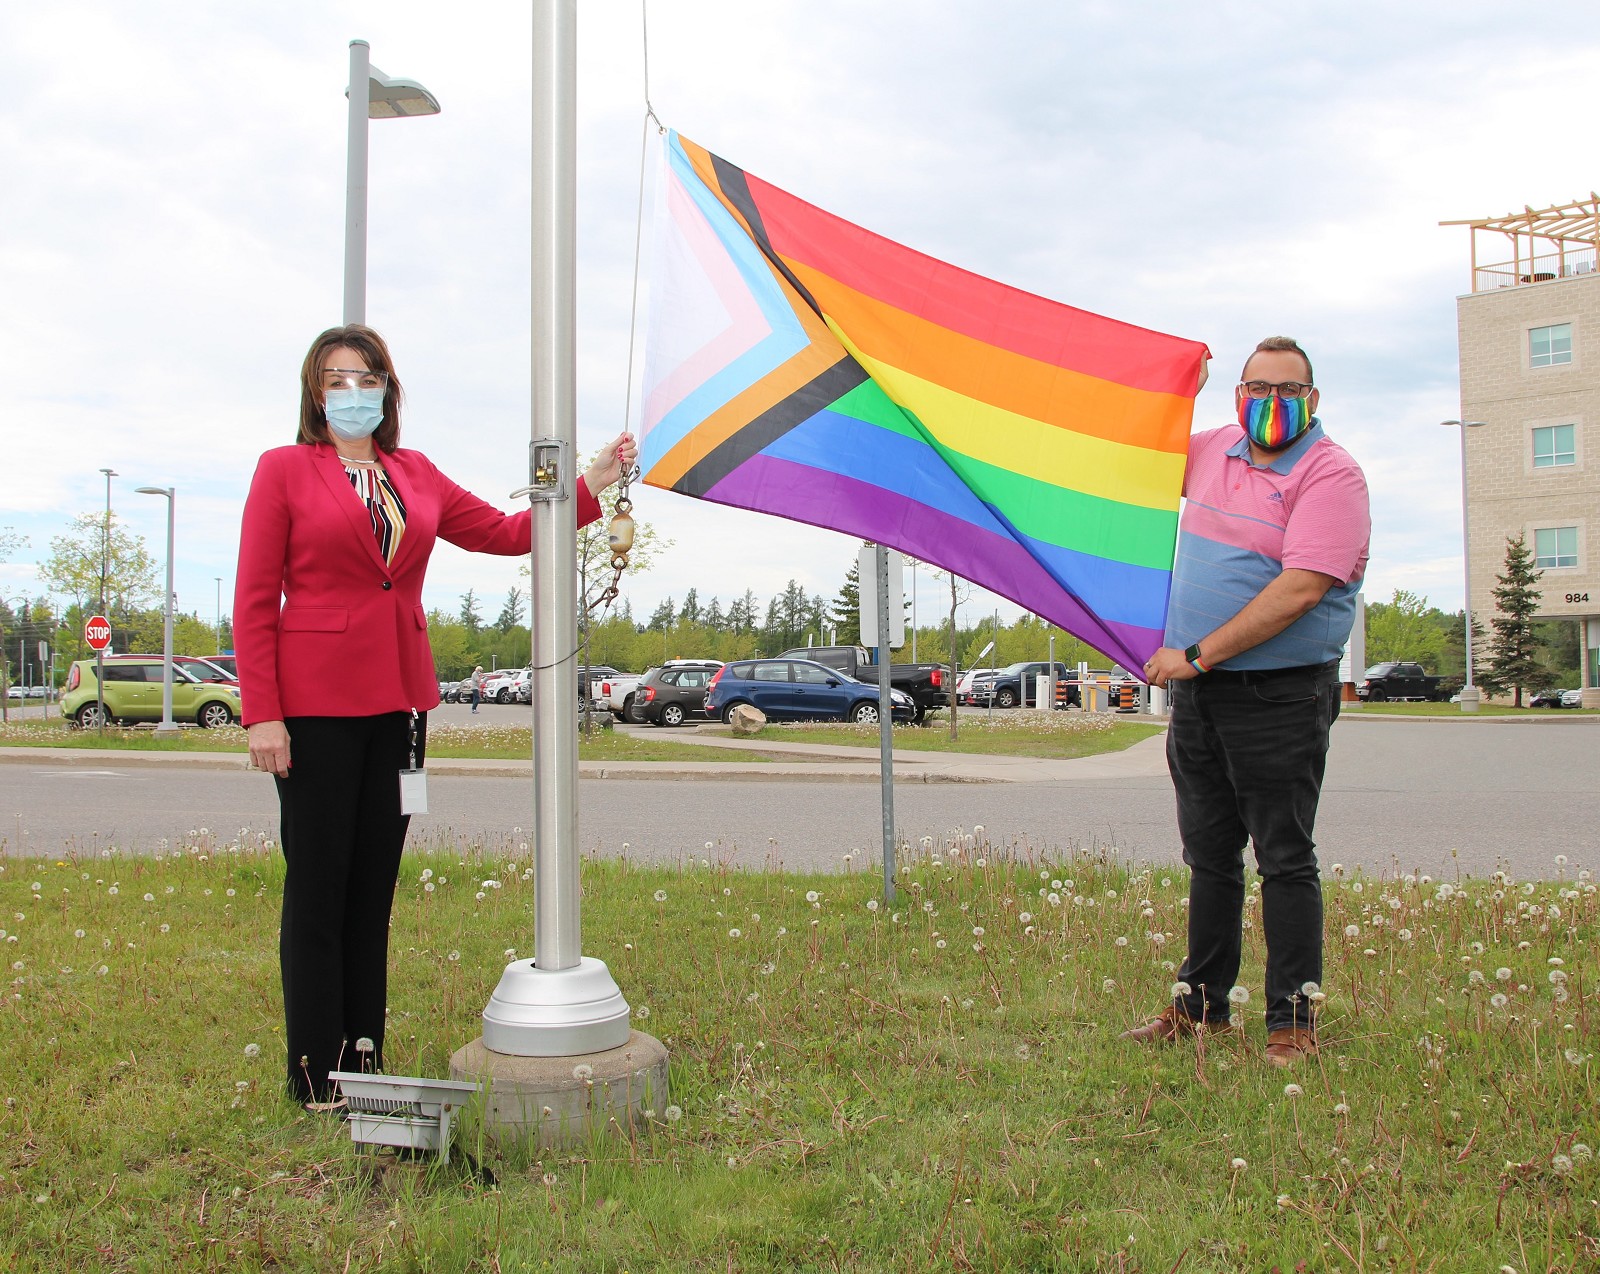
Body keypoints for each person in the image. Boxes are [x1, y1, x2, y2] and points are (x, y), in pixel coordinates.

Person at [236, 324, 635, 1108]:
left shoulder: (414, 474)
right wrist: (262, 716)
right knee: (319, 890)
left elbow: (508, 531)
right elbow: (254, 602)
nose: (354, 391)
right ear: (316, 394)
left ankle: (363, 1057)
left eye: (367, 376)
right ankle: (315, 1077)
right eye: (337, 379)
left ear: (388, 388)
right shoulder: (283, 471)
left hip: (399, 707)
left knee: (372, 891)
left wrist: (594, 480)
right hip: (312, 711)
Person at [1126, 336, 1369, 1067]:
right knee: (1209, 856)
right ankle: (1201, 1005)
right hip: (1200, 700)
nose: (1268, 402)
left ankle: (1292, 1020)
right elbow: (1133, 450)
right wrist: (1178, 390)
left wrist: (1196, 656)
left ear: (1313, 401)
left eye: (1285, 391)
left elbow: (1300, 590)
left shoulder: (1332, 475)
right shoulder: (1212, 449)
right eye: (1254, 387)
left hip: (1279, 695)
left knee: (1284, 857)